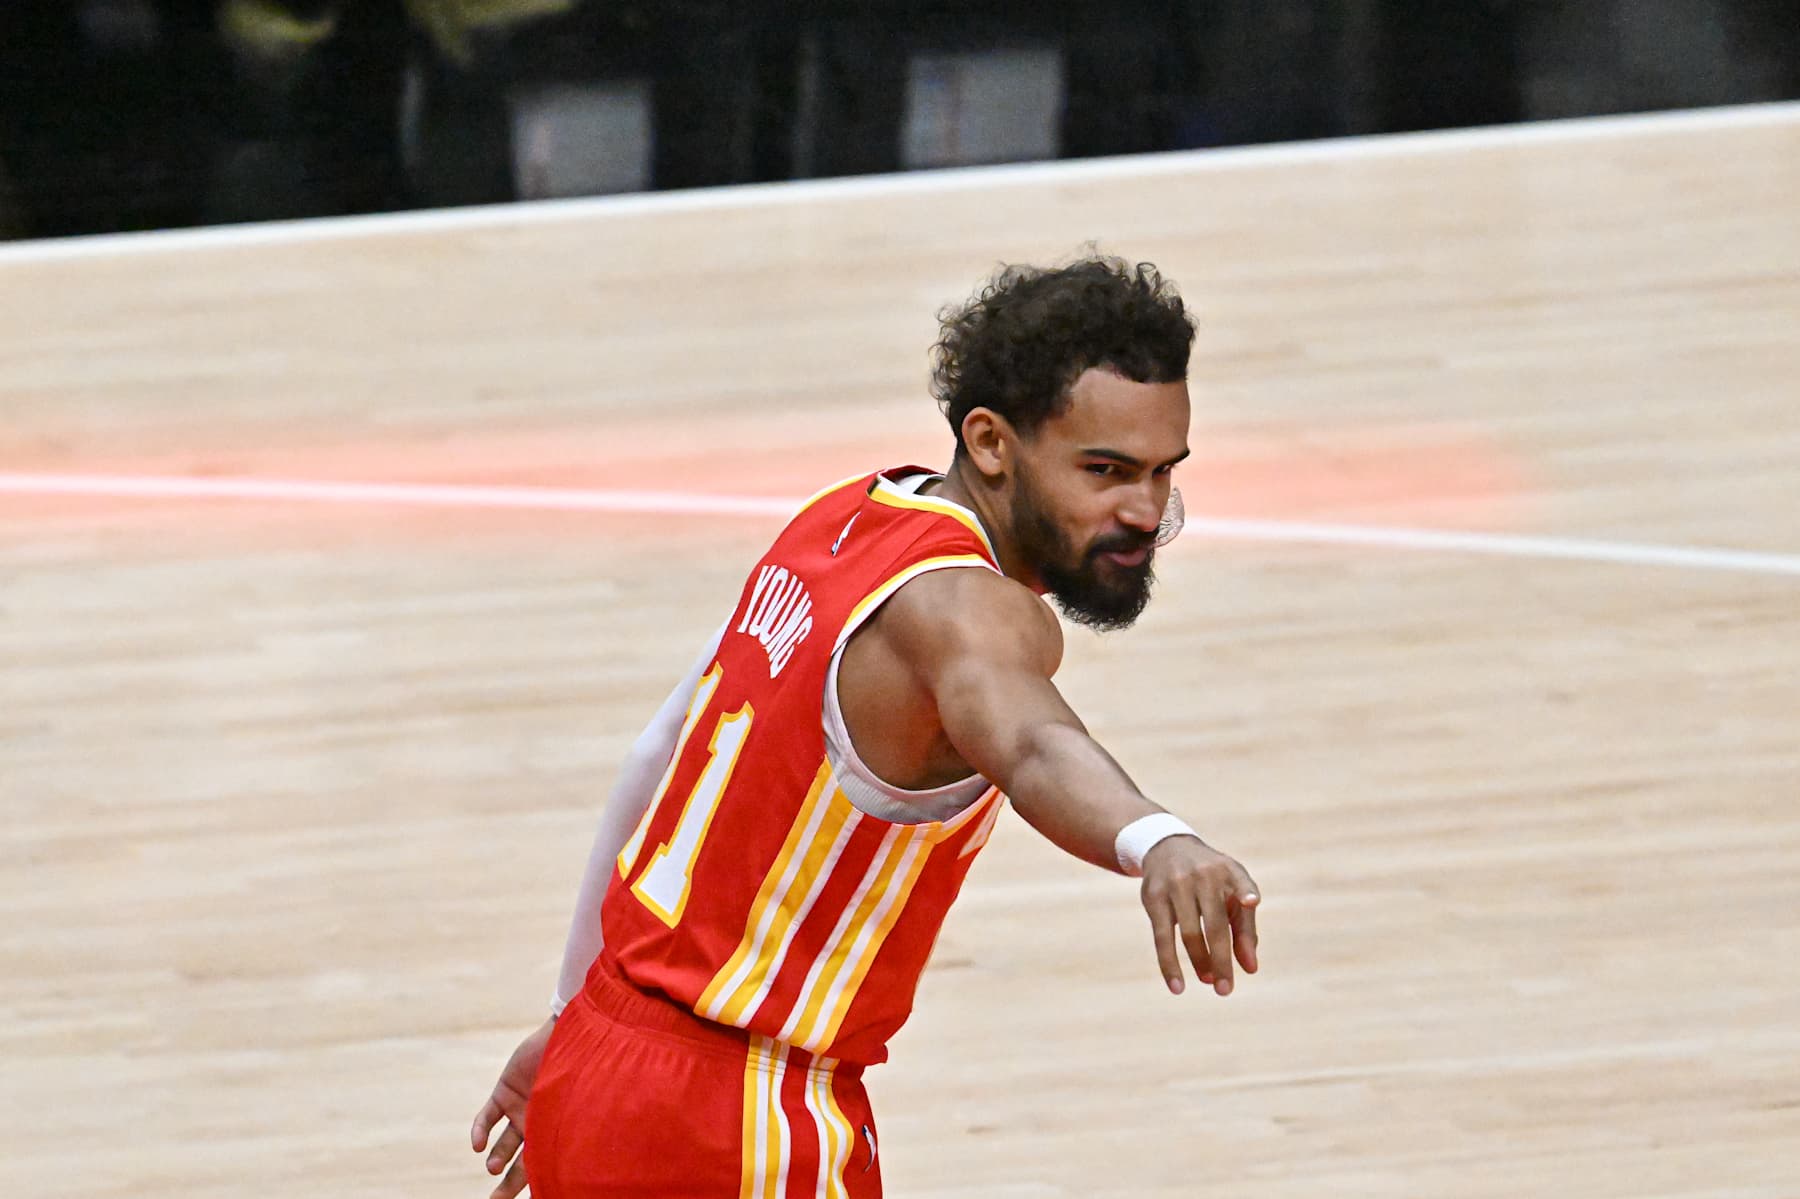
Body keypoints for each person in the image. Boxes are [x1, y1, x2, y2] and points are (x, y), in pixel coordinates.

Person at [471, 255, 1262, 1198]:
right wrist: (1155, 837)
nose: (1143, 510)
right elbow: (1032, 741)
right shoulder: (970, 610)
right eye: (1105, 470)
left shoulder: (839, 524)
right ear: (993, 442)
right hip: (738, 1114)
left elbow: (657, 754)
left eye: (1164, 471)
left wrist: (571, 1016)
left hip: (607, 1045)